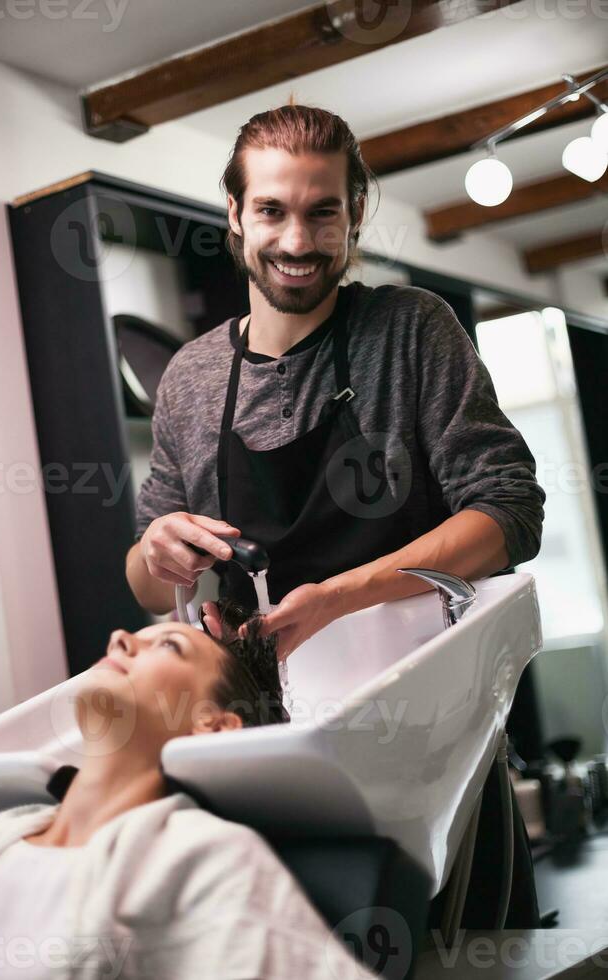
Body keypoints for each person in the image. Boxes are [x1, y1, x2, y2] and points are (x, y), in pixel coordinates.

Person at [126, 101, 546, 665]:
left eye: (322, 213)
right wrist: (157, 551)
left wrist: (338, 599)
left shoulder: (411, 328)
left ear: (356, 210)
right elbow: (147, 587)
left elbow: (509, 513)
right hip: (272, 706)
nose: (297, 243)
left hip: (432, 687)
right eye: (271, 211)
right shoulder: (190, 377)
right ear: (235, 213)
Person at [0, 600, 376, 979]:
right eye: (133, 636)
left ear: (212, 725)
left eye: (169, 645)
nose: (119, 638)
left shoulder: (204, 859)